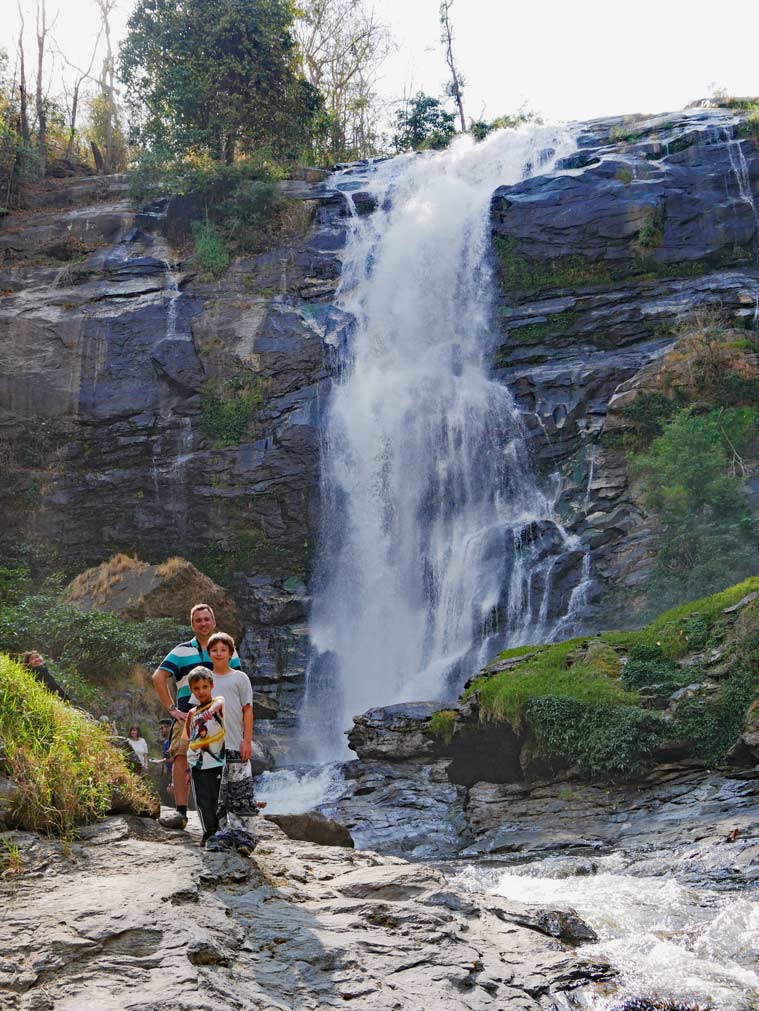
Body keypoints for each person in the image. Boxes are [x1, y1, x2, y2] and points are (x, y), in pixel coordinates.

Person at [152, 603, 241, 830]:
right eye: (198, 620)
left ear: (213, 622)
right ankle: (181, 813)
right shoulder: (181, 651)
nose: (203, 623)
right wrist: (172, 708)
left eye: (206, 619)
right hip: (188, 715)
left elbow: (237, 680)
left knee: (221, 763)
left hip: (219, 716)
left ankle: (222, 816)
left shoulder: (225, 650)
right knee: (181, 755)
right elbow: (158, 677)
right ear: (192, 624)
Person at [206, 631, 259, 828]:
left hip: (236, 744)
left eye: (223, 650)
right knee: (216, 794)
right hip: (211, 748)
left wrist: (247, 740)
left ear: (231, 653)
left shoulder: (240, 678)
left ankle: (245, 837)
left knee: (241, 792)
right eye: (214, 650)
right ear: (208, 653)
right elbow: (196, 712)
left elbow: (248, 710)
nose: (219, 653)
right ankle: (221, 836)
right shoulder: (204, 679)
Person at [184, 669, 225, 846]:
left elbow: (220, 701)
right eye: (196, 688)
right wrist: (187, 764)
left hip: (217, 761)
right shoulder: (191, 713)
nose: (201, 691)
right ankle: (208, 832)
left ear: (212, 686)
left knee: (217, 797)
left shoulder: (217, 704)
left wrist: (210, 711)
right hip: (197, 763)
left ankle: (221, 832)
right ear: (192, 690)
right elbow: (189, 737)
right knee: (202, 799)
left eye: (205, 687)